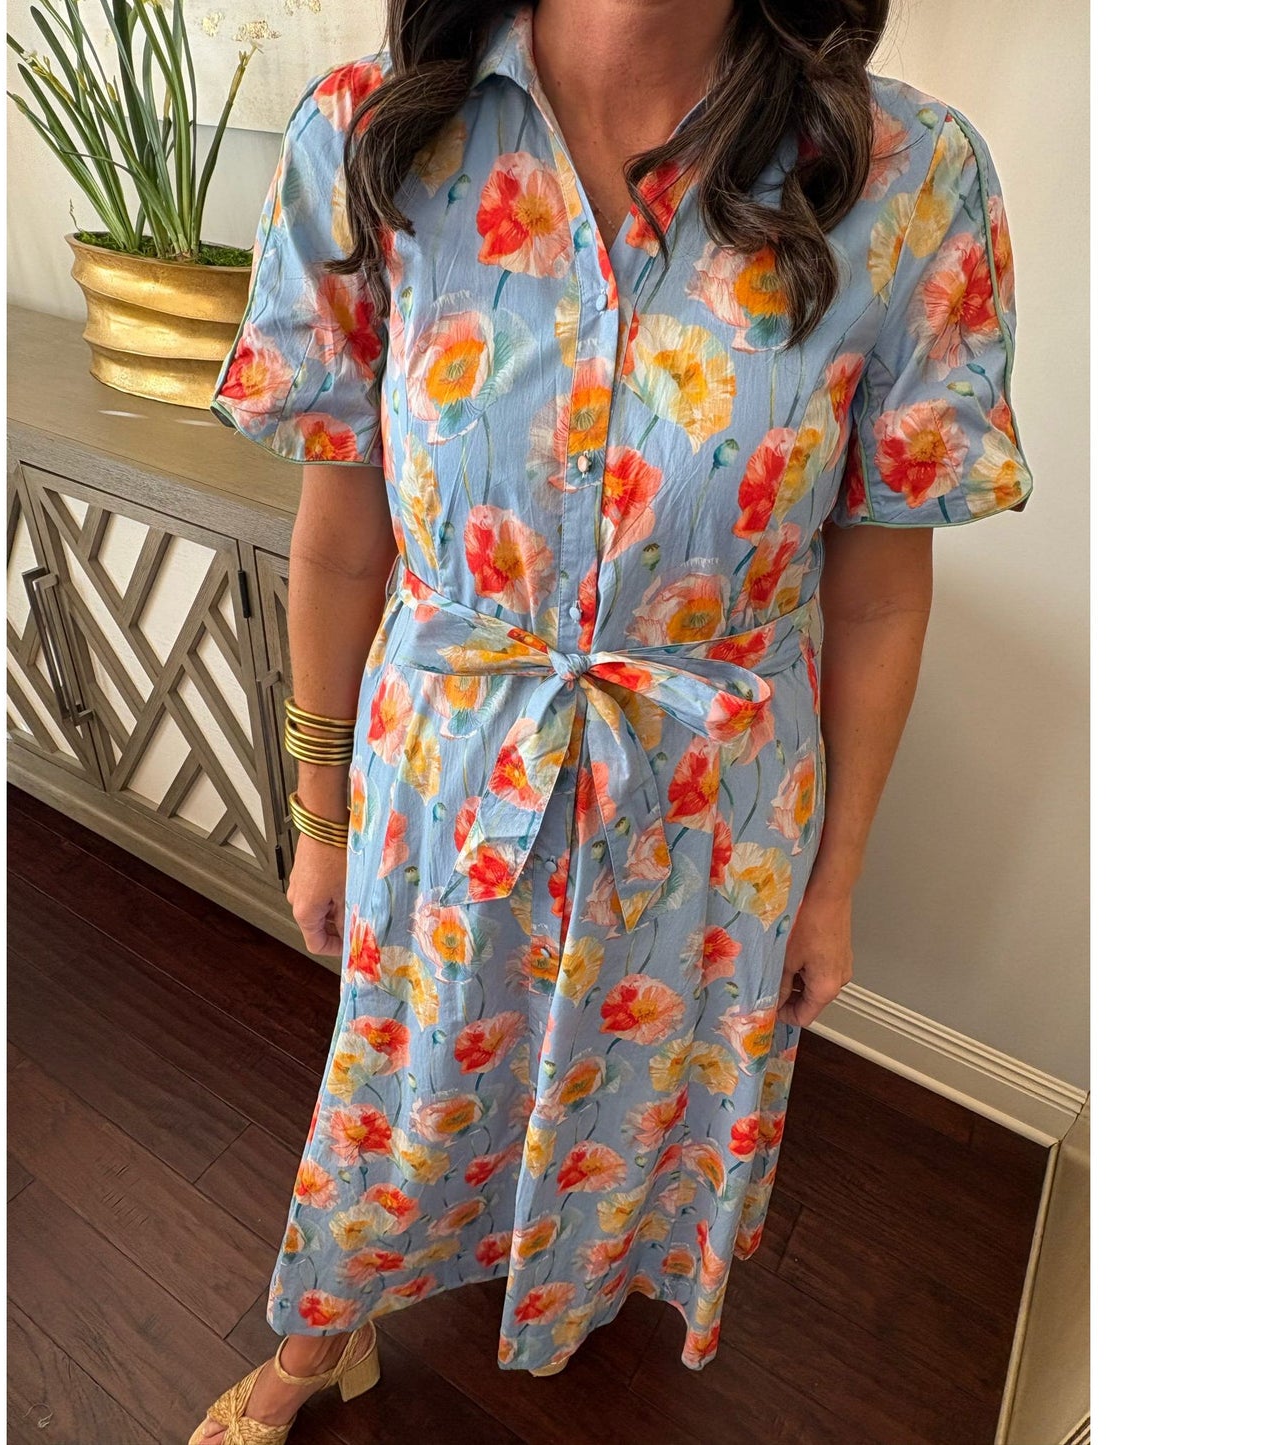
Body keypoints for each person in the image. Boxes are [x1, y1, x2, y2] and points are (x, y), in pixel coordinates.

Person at [191, 0, 1032, 1438]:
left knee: (637, 1095)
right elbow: (339, 537)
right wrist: (319, 813)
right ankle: (322, 1339)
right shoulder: (371, 135)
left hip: (714, 810)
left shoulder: (906, 175)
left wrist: (833, 883)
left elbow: (880, 591)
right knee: (401, 1084)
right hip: (450, 770)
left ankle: (570, 1305)